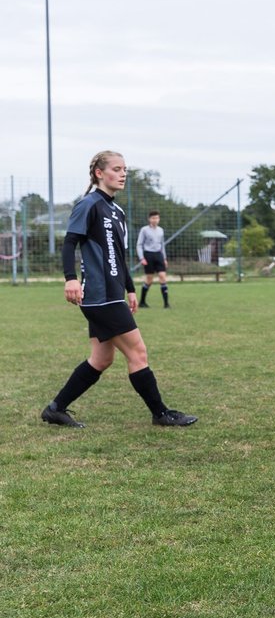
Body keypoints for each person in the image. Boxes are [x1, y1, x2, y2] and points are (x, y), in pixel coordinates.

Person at [40, 150, 198, 428]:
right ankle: (161, 414)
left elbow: (119, 256)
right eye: (116, 169)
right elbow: (69, 243)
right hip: (98, 296)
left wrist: (131, 289)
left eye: (125, 169)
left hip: (113, 294)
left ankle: (55, 409)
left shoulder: (118, 211)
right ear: (100, 173)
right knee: (138, 353)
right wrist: (70, 278)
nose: (123, 173)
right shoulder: (88, 205)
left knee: (101, 359)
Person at [135, 210, 170, 309]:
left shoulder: (161, 230)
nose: (155, 220)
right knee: (149, 279)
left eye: (157, 218)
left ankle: (166, 304)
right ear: (149, 219)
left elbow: (162, 245)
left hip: (158, 254)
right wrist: (142, 258)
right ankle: (142, 301)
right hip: (148, 255)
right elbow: (139, 244)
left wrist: (164, 258)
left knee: (162, 276)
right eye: (153, 218)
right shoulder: (144, 230)